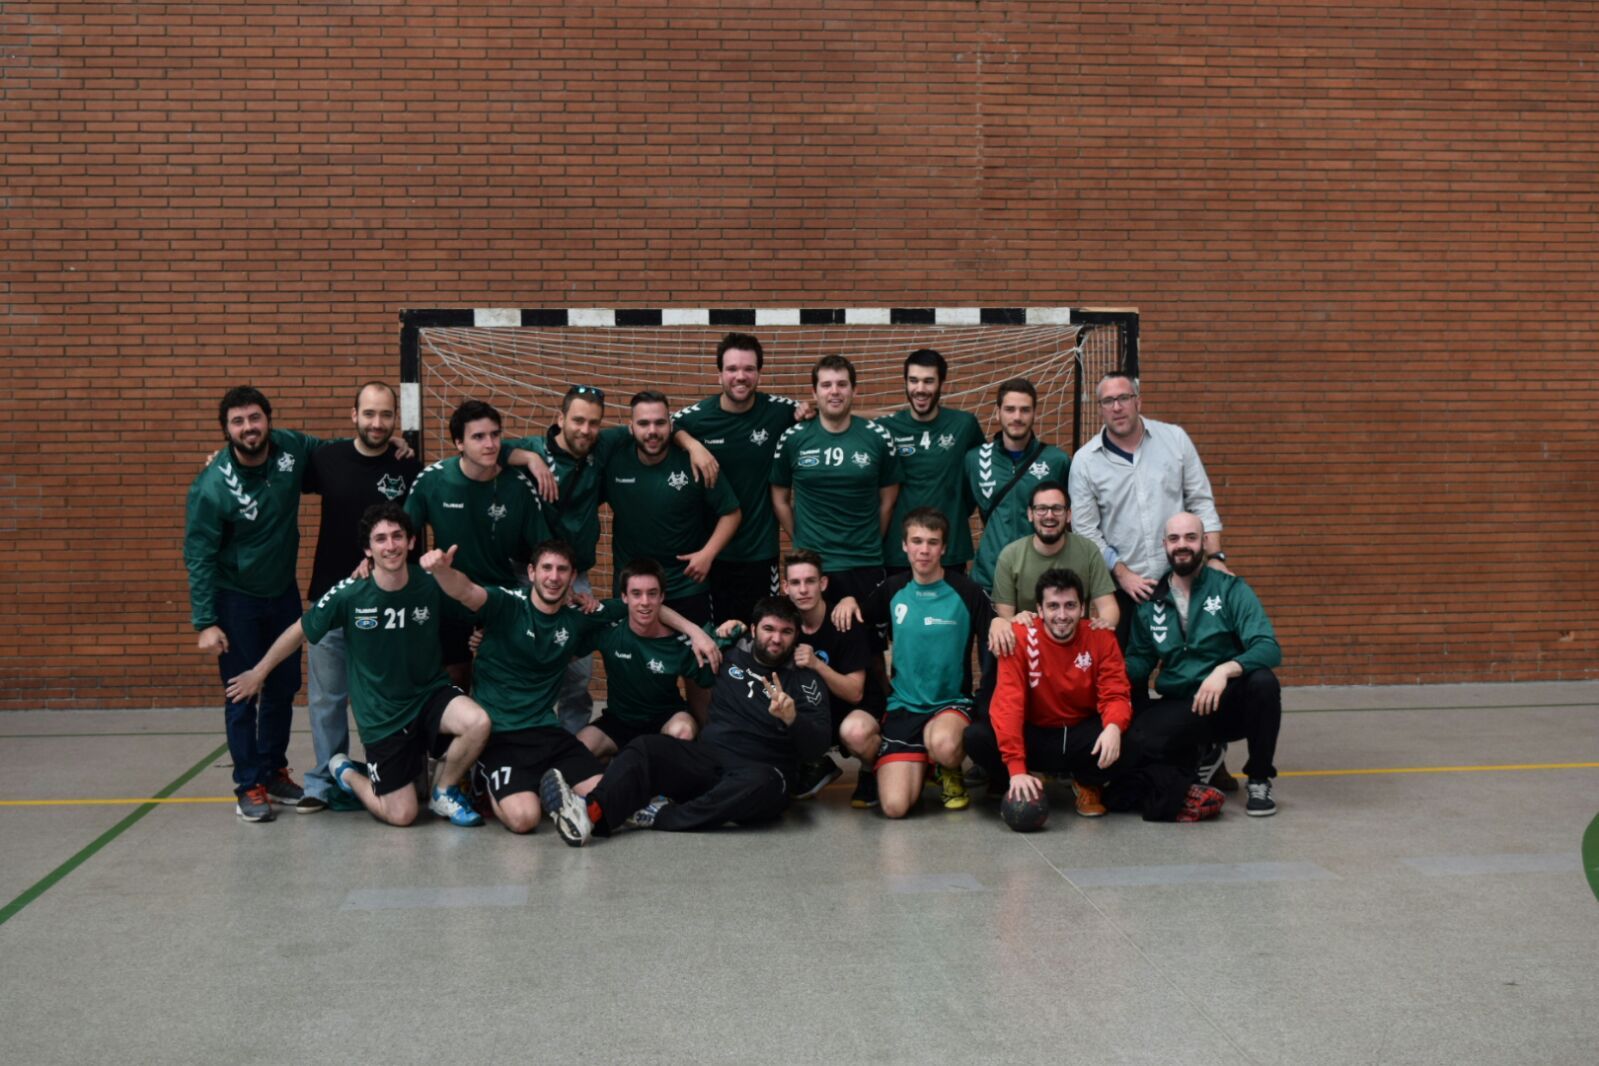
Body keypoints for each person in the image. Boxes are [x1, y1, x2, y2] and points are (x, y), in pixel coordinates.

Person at [422, 540, 718, 834]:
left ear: (573, 576)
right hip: (503, 737)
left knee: (609, 794)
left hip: (548, 732)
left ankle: (567, 797)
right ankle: (479, 778)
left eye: (562, 569)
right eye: (547, 568)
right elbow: (467, 591)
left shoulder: (577, 618)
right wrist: (441, 571)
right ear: (532, 572)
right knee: (525, 819)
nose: (554, 576)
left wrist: (695, 632)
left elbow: (646, 607)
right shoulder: (508, 604)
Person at [225, 504, 492, 828]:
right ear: (368, 549)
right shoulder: (349, 594)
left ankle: (444, 791)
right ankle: (347, 772)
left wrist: (448, 574)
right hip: (383, 715)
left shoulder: (430, 583)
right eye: (380, 539)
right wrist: (259, 672)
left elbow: (473, 599)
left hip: (429, 694)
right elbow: (299, 630)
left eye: (397, 536)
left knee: (477, 721)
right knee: (403, 814)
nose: (390, 545)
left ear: (410, 542)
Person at [503, 385, 719, 733]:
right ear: (559, 419)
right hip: (527, 574)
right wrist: (529, 459)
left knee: (577, 671)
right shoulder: (534, 447)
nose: (585, 430)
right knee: (527, 662)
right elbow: (486, 450)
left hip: (577, 575)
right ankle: (519, 740)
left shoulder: (603, 445)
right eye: (577, 421)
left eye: (593, 423)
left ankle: (570, 746)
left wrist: (692, 444)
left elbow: (655, 428)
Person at [540, 596, 830, 844]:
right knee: (647, 747)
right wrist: (709, 633)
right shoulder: (728, 653)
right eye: (768, 629)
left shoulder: (805, 680)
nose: (776, 638)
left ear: (796, 636)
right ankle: (589, 813)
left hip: (763, 772)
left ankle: (663, 816)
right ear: (753, 629)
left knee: (764, 782)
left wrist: (793, 719)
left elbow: (816, 746)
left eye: (785, 632)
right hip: (710, 760)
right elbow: (658, 612)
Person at [964, 568, 1223, 827]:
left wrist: (1113, 727)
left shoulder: (1101, 637)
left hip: (1081, 737)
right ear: (1040, 611)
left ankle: (1087, 783)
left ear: (1083, 608)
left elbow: (1116, 694)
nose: (1062, 615)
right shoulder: (1020, 637)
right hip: (1035, 736)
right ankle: (1017, 781)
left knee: (1132, 739)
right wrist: (1017, 769)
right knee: (977, 738)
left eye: (1070, 606)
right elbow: (1009, 704)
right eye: (1053, 606)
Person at [184, 386, 327, 822]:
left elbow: (340, 457)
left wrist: (390, 442)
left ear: (268, 419)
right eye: (238, 421)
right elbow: (199, 554)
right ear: (227, 431)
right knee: (242, 692)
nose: (249, 428)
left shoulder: (292, 449)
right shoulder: (211, 487)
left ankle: (273, 769)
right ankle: (248, 784)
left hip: (281, 593)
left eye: (255, 418)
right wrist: (205, 622)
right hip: (235, 601)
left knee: (283, 687)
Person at [296, 381, 422, 813]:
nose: (377, 423)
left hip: (388, 609)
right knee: (328, 697)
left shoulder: (408, 466)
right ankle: (322, 781)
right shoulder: (326, 459)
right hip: (332, 600)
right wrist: (222, 459)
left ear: (395, 420)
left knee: (388, 694)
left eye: (386, 415)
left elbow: (415, 536)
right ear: (354, 415)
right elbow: (270, 464)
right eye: (369, 414)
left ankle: (386, 771)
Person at [832, 508, 995, 818]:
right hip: (903, 709)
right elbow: (859, 618)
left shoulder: (966, 591)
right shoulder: (894, 589)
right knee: (894, 808)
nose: (924, 550)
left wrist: (1003, 622)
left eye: (932, 542)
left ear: (943, 548)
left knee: (945, 744)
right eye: (917, 541)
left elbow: (995, 625)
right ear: (904, 546)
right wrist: (848, 600)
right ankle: (900, 765)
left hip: (951, 705)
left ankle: (948, 768)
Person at [1123, 512, 1284, 816]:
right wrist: (1105, 672)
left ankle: (1259, 778)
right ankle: (1201, 755)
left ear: (1205, 543)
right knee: (1135, 739)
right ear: (1165, 545)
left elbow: (1268, 647)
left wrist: (1224, 670)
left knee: (1263, 683)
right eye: (1174, 539)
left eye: (1190, 537)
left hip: (1227, 705)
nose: (1182, 545)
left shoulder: (1230, 589)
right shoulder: (1152, 601)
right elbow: (1141, 660)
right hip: (1182, 703)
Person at [1067, 371, 1226, 648]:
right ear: (1100, 408)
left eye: (1124, 398)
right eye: (1108, 401)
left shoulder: (1175, 439)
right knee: (1127, 676)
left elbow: (1201, 502)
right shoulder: (1084, 461)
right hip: (1123, 587)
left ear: (1138, 401)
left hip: (1182, 576)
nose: (1117, 407)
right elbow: (1085, 530)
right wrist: (1122, 573)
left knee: (1190, 669)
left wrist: (1215, 557)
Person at [404, 399, 547, 687]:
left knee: (497, 684)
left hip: (499, 599)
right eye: (478, 437)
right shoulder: (433, 481)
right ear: (459, 443)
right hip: (449, 600)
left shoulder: (518, 485)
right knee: (454, 681)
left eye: (495, 435)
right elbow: (402, 535)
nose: (490, 443)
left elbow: (543, 549)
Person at [673, 333, 808, 626]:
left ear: (759, 372)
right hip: (710, 556)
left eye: (748, 369)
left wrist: (810, 410)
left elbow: (823, 413)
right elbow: (666, 426)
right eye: (732, 369)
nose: (740, 376)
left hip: (760, 553)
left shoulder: (779, 411)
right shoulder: (697, 419)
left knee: (761, 638)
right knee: (716, 644)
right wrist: (693, 445)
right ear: (719, 374)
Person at [601, 390, 742, 626]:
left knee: (695, 658)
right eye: (643, 423)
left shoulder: (696, 461)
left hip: (685, 586)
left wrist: (708, 554)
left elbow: (731, 513)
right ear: (631, 427)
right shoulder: (614, 461)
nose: (652, 431)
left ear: (671, 424)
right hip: (634, 590)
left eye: (660, 423)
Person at [771, 354, 901, 606]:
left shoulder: (878, 437)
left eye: (842, 384)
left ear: (854, 390)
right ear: (814, 391)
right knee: (810, 643)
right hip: (811, 566)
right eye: (826, 385)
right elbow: (779, 499)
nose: (834, 392)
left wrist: (869, 540)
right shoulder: (793, 438)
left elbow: (888, 503)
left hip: (864, 562)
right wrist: (802, 537)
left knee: (866, 643)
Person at [577, 559, 715, 759]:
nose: (644, 602)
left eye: (652, 593)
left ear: (662, 597)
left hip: (665, 719)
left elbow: (704, 689)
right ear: (624, 597)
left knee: (683, 731)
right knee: (580, 748)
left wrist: (707, 742)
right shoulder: (609, 630)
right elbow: (569, 651)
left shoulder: (682, 642)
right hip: (619, 721)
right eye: (636, 594)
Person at [873, 349, 985, 576]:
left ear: (941, 383)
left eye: (928, 381)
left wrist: (957, 507)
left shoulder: (964, 425)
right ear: (905, 382)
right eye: (913, 380)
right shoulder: (886, 428)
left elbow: (979, 476)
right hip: (899, 552)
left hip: (949, 548)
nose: (920, 389)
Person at [772, 550, 871, 804]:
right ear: (785, 587)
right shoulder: (784, 625)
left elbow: (855, 692)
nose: (803, 589)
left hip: (853, 709)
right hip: (815, 710)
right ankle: (815, 762)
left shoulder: (844, 620)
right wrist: (734, 625)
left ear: (823, 583)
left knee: (856, 733)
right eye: (795, 583)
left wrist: (817, 664)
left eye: (810, 581)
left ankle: (871, 770)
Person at [987, 481, 1118, 659]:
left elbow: (1109, 607)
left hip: (1077, 650)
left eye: (1057, 508)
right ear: (1030, 514)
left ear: (1069, 514)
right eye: (1041, 508)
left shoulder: (1088, 551)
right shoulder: (1010, 556)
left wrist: (1100, 630)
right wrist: (1013, 621)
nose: (1049, 515)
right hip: (1030, 651)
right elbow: (1005, 618)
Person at [964, 378, 1072, 593]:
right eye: (1010, 409)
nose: (1017, 417)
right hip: (990, 576)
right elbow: (963, 509)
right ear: (998, 413)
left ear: (1034, 414)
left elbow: (1070, 520)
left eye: (1024, 410)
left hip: (1043, 579)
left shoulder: (1056, 460)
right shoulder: (975, 459)